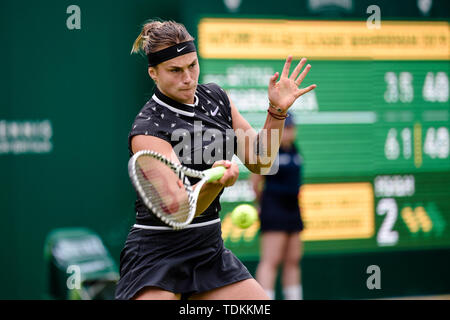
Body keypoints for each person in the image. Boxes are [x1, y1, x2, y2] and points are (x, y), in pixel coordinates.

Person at [114, 19, 316, 300]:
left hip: (208, 251)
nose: (188, 78)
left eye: (192, 65)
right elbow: (179, 211)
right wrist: (214, 183)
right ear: (154, 73)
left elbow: (261, 160)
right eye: (175, 70)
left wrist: (277, 112)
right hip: (156, 254)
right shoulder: (147, 128)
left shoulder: (217, 98)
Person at [252, 113, 305, 300]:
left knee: (293, 259)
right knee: (270, 261)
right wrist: (262, 204)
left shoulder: (295, 151)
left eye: (291, 128)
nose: (289, 132)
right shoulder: (269, 151)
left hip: (293, 208)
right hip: (273, 207)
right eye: (285, 128)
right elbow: (255, 181)